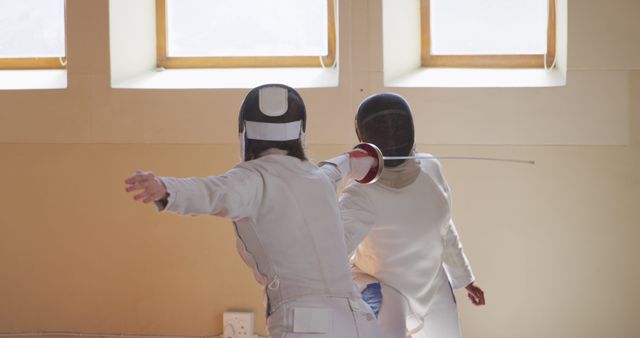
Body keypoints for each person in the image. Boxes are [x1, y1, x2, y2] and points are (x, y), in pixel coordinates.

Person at [124, 84, 382, 338]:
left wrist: (164, 188)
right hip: (360, 319)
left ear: (245, 133)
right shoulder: (318, 177)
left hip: (307, 323)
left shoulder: (252, 180)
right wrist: (364, 159)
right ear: (300, 134)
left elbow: (211, 192)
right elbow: (342, 165)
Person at [335, 93, 486, 338]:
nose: (391, 133)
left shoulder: (430, 168)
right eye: (384, 129)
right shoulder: (359, 194)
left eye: (396, 127)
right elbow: (332, 252)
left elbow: (444, 227)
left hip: (432, 287)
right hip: (384, 293)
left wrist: (464, 277)